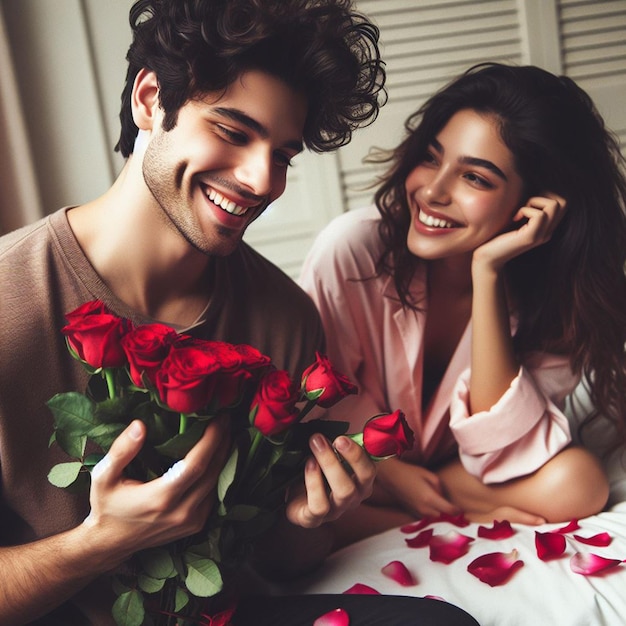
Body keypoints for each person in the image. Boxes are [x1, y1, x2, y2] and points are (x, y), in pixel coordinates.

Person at [300, 62, 626, 544]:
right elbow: (315, 391)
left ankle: (392, 523)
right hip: (352, 468)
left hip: (453, 473)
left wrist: (488, 272)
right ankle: (426, 520)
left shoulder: (559, 297)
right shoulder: (352, 247)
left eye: (475, 178)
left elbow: (503, 448)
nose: (432, 191)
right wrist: (391, 473)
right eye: (431, 158)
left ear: (534, 206)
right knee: (302, 506)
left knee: (579, 481)